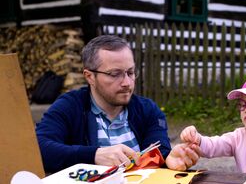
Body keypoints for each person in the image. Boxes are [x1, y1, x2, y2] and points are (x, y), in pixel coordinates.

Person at [36, 35, 197, 173]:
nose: (127, 82)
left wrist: (169, 158)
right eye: (115, 74)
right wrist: (94, 155)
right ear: (89, 76)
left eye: (131, 72)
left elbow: (158, 152)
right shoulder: (70, 106)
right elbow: (38, 148)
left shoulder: (148, 110)